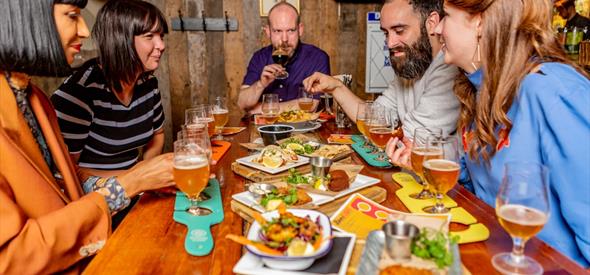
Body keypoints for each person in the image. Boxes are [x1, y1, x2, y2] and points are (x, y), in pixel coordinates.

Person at [389, 0, 590, 267]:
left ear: (480, 22)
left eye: (446, 16)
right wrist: (424, 162)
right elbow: (478, 189)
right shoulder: (477, 89)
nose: (436, 30)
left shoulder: (552, 91)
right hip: (487, 257)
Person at [0, 0, 175, 273]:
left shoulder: (36, 99)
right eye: (72, 16)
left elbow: (64, 193)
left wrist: (138, 182)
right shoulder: (76, 93)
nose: (84, 30)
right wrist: (128, 184)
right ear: (25, 14)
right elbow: (12, 257)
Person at [303, 0, 459, 138]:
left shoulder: (449, 70)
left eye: (399, 31)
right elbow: (374, 118)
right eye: (385, 33)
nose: (390, 43)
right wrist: (336, 87)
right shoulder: (413, 64)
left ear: (431, 23)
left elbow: (415, 140)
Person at [51, 0, 167, 177]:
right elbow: (64, 173)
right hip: (96, 198)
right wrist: (136, 179)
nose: (161, 45)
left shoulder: (148, 84)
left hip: (136, 189)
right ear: (121, 40)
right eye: (150, 36)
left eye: (161, 36)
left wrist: (145, 173)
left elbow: (157, 135)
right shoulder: (79, 94)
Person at [238, 1, 330, 114]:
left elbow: (311, 105)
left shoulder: (317, 57)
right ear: (268, 32)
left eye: (291, 30)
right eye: (277, 31)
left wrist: (262, 108)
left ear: (300, 30)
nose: (285, 39)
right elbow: (242, 102)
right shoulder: (259, 57)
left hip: (304, 129)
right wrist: (261, 84)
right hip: (266, 128)